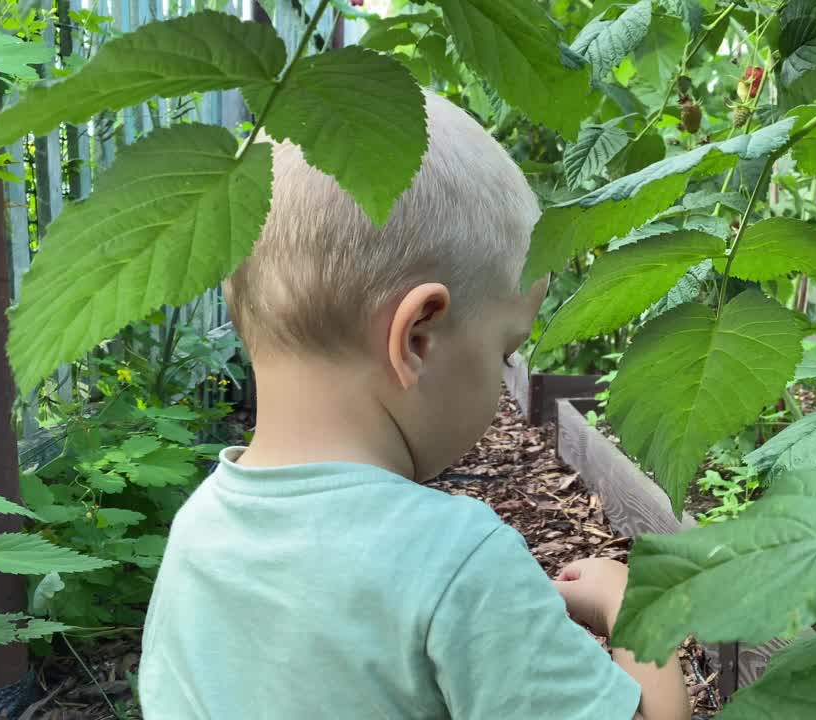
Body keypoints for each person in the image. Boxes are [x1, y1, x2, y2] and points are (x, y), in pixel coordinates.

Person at [138, 90, 692, 720]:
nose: (506, 372)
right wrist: (632, 606)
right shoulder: (458, 565)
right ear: (419, 338)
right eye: (505, 353)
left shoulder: (198, 530)